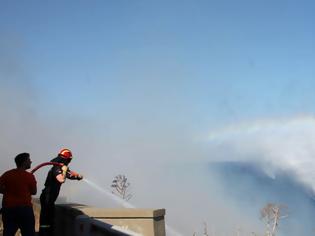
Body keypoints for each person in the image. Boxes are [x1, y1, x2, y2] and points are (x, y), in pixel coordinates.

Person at [39, 148, 83, 236]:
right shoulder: (57, 168)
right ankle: (45, 234)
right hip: (47, 196)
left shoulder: (60, 167)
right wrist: (64, 170)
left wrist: (78, 176)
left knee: (49, 218)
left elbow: (70, 174)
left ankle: (47, 233)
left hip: (50, 197)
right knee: (46, 220)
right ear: (67, 159)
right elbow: (61, 179)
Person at [0, 152, 37, 236]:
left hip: (8, 209)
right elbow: (34, 192)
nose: (31, 162)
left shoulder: (7, 174)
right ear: (24, 162)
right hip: (25, 210)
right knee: (28, 233)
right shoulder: (29, 176)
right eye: (29, 160)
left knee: (8, 232)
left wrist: (7, 191)